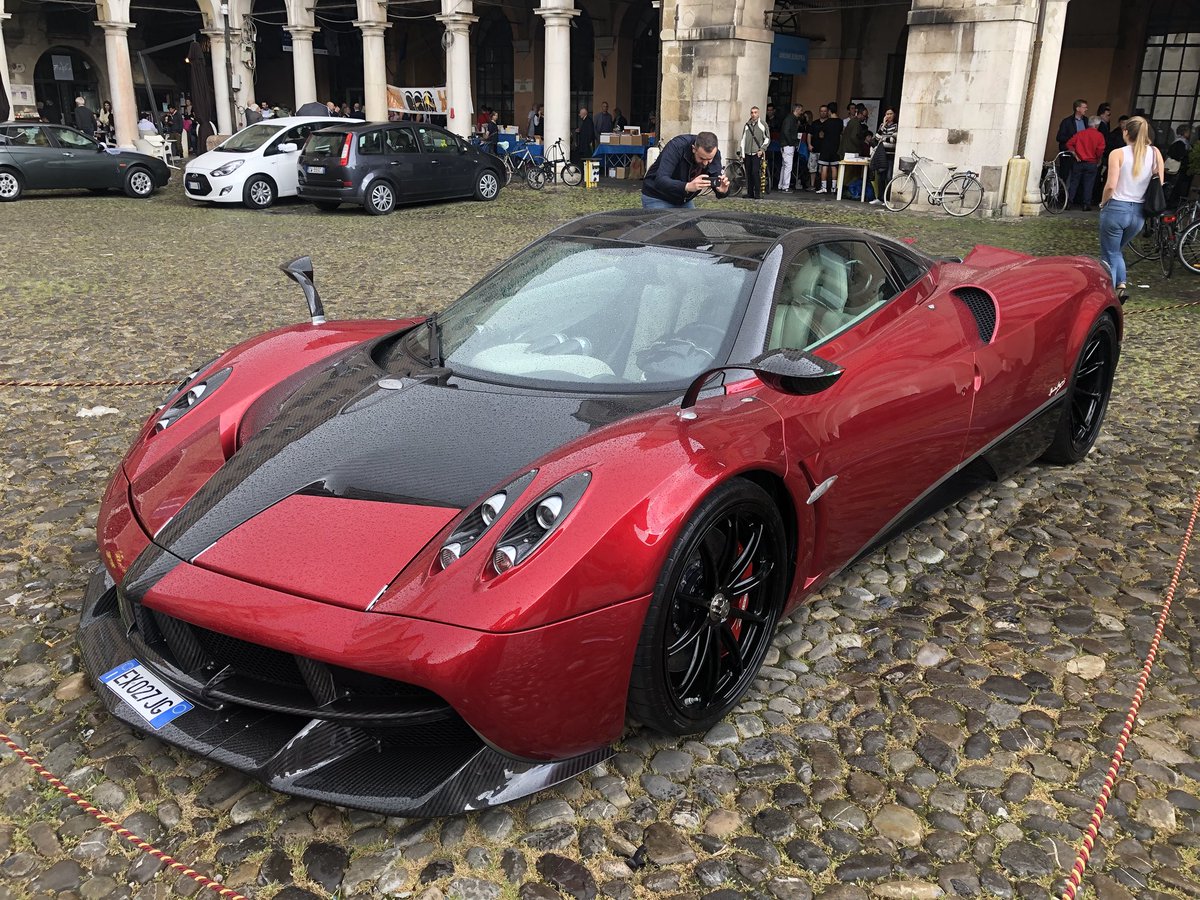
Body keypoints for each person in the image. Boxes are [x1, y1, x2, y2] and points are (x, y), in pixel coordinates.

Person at [1099, 116, 1164, 303]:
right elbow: (1159, 183)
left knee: (1110, 253)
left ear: (1126, 132)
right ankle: (1121, 285)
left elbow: (1111, 185)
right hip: (1139, 212)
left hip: (1116, 208)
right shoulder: (1155, 153)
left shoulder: (1118, 153)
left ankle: (1109, 294)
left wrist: (1103, 204)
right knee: (1116, 250)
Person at [641, 131, 730, 209]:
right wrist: (687, 186)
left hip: (683, 200)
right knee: (663, 227)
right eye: (702, 158)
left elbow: (716, 180)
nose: (705, 163)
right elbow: (660, 180)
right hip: (657, 196)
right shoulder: (676, 146)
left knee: (691, 227)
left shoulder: (714, 154)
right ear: (693, 149)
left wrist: (723, 191)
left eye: (709, 159)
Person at [1065, 115, 1106, 211]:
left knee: (1074, 183)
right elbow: (1100, 150)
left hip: (1078, 162)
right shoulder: (1099, 136)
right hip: (1092, 163)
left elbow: (1069, 143)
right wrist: (1098, 159)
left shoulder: (1080, 133)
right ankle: (1086, 205)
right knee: (1089, 184)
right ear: (1097, 125)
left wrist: (1075, 154)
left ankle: (1069, 203)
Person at [1055, 99, 1088, 193]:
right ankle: (1062, 197)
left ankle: (1073, 199)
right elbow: (1059, 137)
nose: (1086, 109)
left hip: (1082, 154)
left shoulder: (1086, 121)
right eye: (1084, 107)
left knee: (1078, 177)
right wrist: (1074, 139)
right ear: (1078, 108)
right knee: (1066, 176)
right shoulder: (1067, 121)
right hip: (1069, 154)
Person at [810, 104, 841, 194]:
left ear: (829, 111)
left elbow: (821, 134)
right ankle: (833, 187)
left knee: (824, 167)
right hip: (835, 146)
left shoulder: (827, 122)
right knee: (834, 167)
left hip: (826, 146)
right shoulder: (840, 122)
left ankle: (824, 187)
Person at [869, 107, 898, 205]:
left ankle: (888, 199)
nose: (888, 116)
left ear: (894, 115)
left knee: (889, 177)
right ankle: (880, 198)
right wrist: (883, 126)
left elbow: (894, 140)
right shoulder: (882, 125)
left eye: (890, 114)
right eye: (887, 114)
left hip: (890, 155)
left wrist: (883, 139)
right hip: (882, 155)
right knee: (881, 177)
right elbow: (876, 138)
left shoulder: (896, 126)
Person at [740, 106, 769, 199]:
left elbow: (767, 138)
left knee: (755, 172)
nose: (753, 114)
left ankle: (757, 193)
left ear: (758, 113)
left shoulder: (763, 125)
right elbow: (743, 140)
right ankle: (750, 193)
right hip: (748, 153)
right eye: (752, 112)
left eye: (755, 112)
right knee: (748, 173)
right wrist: (742, 153)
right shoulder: (747, 125)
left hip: (757, 153)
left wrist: (762, 149)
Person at [778, 103, 803, 192]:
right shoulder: (791, 119)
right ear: (797, 110)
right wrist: (792, 142)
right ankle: (785, 186)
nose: (801, 112)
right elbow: (786, 131)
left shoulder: (790, 118)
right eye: (800, 110)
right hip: (788, 145)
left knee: (784, 166)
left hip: (785, 144)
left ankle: (781, 185)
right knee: (788, 166)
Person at [1166, 124, 1193, 205]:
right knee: (1175, 187)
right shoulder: (1181, 143)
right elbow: (1178, 155)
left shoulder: (1177, 141)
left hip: (1178, 168)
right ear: (1184, 132)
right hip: (1178, 168)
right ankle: (1172, 203)